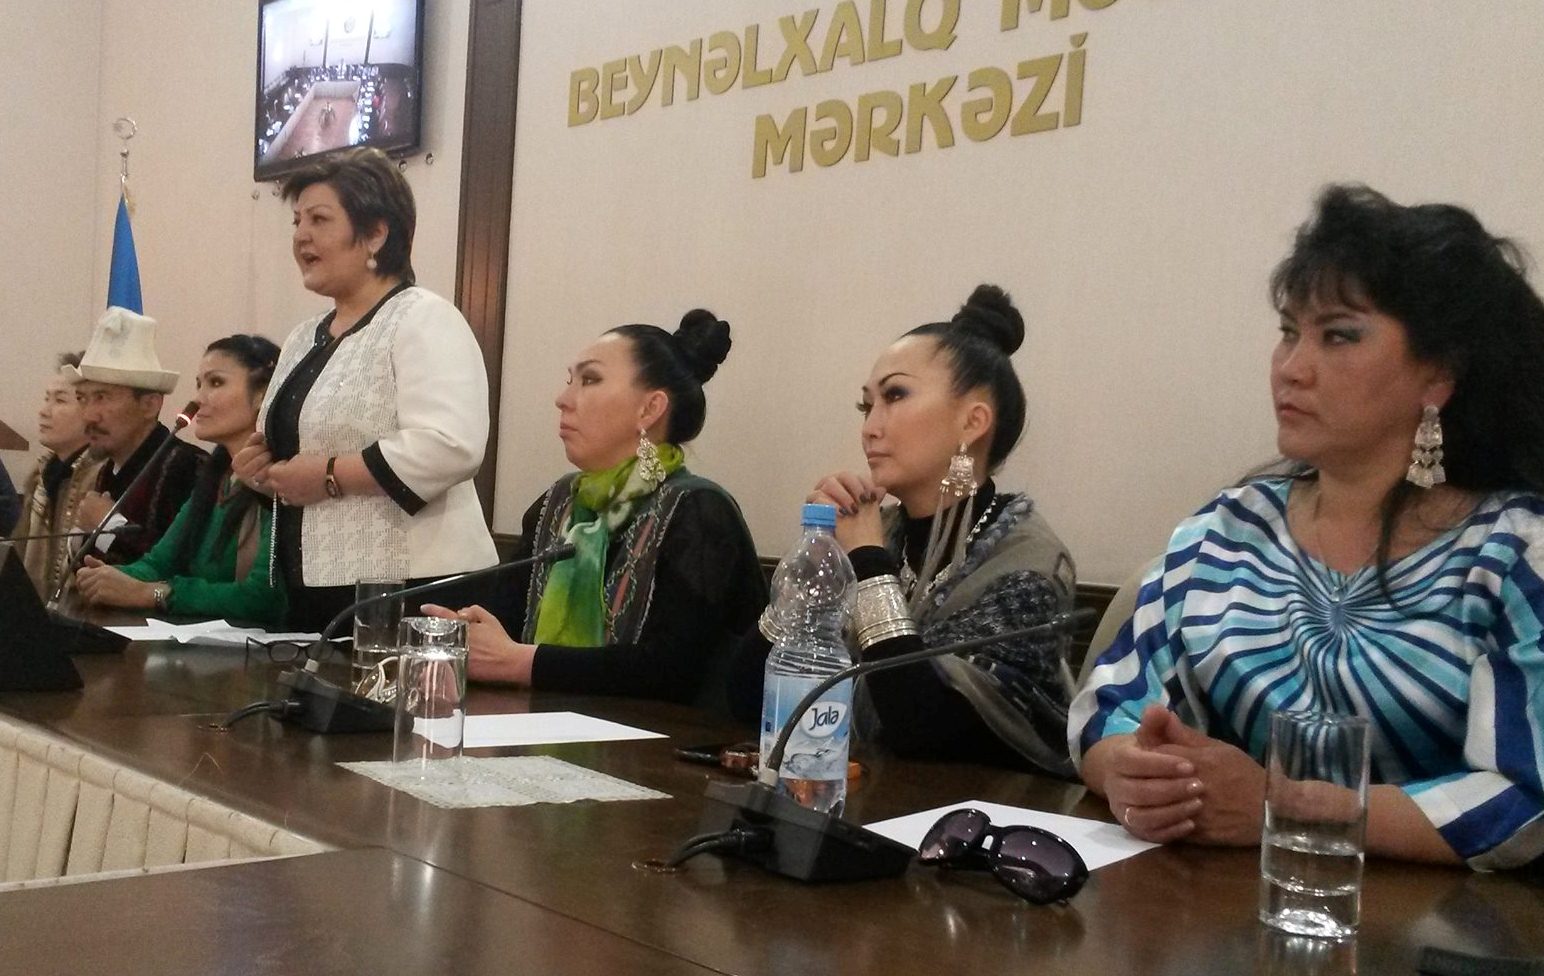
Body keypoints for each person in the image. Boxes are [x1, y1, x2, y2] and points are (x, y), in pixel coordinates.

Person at [1071, 185, 1544, 870]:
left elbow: (1528, 799)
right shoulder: (1226, 530)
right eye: (1289, 332)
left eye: (1339, 335)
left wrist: (1285, 805)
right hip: (1207, 906)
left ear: (1440, 373)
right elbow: (1105, 708)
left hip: (1422, 920)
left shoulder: (1514, 551)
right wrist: (1134, 772)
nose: (1291, 369)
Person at [746, 285, 1077, 775]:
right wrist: (813, 567)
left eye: (895, 396)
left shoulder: (1027, 566)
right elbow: (742, 695)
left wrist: (868, 563)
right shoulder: (881, 534)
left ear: (973, 422)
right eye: (866, 406)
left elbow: (927, 730)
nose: (870, 428)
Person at [423, 310, 766, 706]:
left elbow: (676, 670)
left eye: (589, 380)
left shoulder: (697, 512)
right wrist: (470, 634)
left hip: (664, 740)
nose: (563, 399)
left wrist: (522, 663)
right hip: (545, 724)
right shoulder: (558, 504)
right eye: (570, 381)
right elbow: (506, 625)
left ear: (650, 409)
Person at [234, 147, 497, 631]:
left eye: (319, 219)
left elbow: (450, 446)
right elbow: (297, 454)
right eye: (297, 221)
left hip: (411, 588)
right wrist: (263, 472)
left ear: (376, 232)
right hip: (312, 585)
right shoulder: (303, 337)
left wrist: (328, 476)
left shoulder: (423, 318)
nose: (301, 236)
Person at [74, 336, 285, 626]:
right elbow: (159, 563)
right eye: (199, 385)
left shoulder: (280, 478)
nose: (197, 399)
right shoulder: (217, 478)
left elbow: (265, 596)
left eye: (216, 383)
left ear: (262, 393)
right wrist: (106, 579)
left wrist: (158, 594)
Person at [68, 308, 204, 570]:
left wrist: (107, 525)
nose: (88, 415)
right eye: (82, 399)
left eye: (102, 397)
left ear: (149, 405)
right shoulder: (108, 470)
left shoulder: (186, 467)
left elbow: (183, 568)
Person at [10, 353, 106, 595]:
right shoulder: (41, 474)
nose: (44, 411)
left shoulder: (102, 477)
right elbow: (16, 558)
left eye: (60, 401)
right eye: (46, 399)